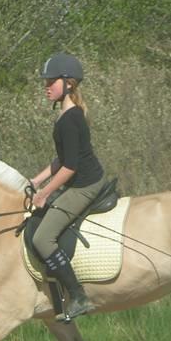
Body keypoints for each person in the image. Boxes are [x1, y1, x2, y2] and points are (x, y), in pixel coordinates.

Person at [29, 52, 107, 320]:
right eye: (46, 81)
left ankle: (77, 295)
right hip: (76, 179)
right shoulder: (66, 116)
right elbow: (62, 159)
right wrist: (36, 180)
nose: (46, 85)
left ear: (69, 83)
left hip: (85, 185)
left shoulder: (71, 118)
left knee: (42, 237)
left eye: (52, 81)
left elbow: (70, 167)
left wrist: (45, 192)